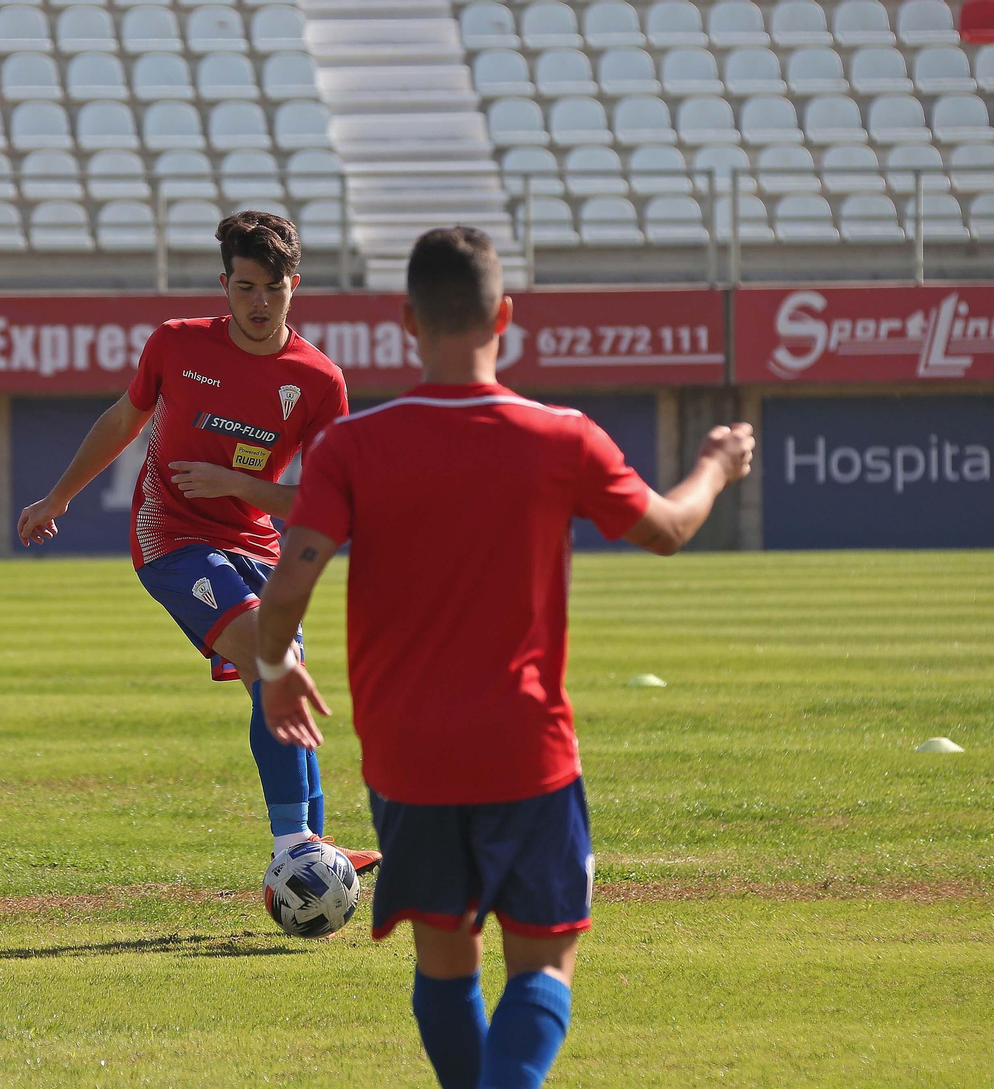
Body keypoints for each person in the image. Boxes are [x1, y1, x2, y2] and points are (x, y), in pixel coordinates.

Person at [253, 226, 754, 1089]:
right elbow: (668, 530)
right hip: (524, 746)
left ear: (408, 321)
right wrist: (714, 464)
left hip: (407, 752)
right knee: (542, 966)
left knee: (446, 964)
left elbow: (289, 583)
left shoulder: (352, 446)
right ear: (505, 317)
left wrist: (274, 670)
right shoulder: (561, 435)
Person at [15, 211, 381, 873]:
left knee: (278, 679)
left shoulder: (319, 381)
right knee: (273, 660)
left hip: (258, 546)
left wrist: (236, 483)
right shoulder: (176, 344)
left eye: (272, 288)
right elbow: (123, 420)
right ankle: (295, 848)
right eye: (245, 288)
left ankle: (312, 845)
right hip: (172, 537)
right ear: (224, 285)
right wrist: (59, 496)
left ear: (295, 286)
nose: (259, 303)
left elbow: (331, 505)